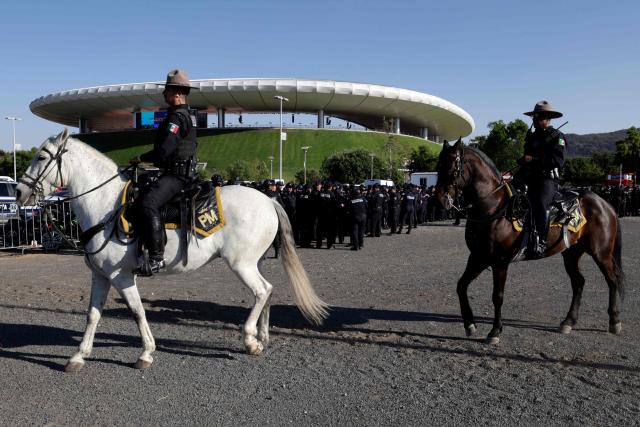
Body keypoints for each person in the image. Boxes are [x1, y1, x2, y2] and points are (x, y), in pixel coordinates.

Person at [130, 69, 198, 275]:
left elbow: (164, 151)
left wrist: (141, 158)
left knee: (148, 202)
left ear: (177, 93)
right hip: (179, 172)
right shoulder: (185, 115)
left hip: (177, 175)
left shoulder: (177, 118)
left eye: (166, 90)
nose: (163, 94)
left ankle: (156, 258)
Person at [518, 100, 566, 258]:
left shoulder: (557, 137)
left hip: (547, 179)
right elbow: (527, 156)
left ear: (548, 118)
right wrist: (523, 161)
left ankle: (541, 242)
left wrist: (533, 160)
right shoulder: (531, 137)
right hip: (529, 176)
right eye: (534, 117)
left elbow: (557, 161)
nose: (535, 119)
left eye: (539, 117)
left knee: (539, 202)